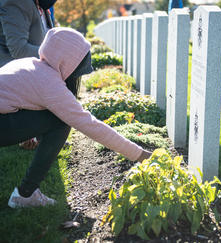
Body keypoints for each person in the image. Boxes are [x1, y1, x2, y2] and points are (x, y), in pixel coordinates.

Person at [0, 27, 152, 208]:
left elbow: (14, 100)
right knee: (60, 121)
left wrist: (27, 135)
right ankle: (25, 195)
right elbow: (90, 125)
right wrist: (141, 155)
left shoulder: (30, 64)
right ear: (68, 62)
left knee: (55, 118)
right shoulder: (49, 84)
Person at [0, 0, 72, 149]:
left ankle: (50, 132)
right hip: (8, 70)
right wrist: (56, 56)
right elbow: (18, 49)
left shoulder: (40, 3)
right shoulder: (18, 0)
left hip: (28, 68)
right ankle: (35, 132)